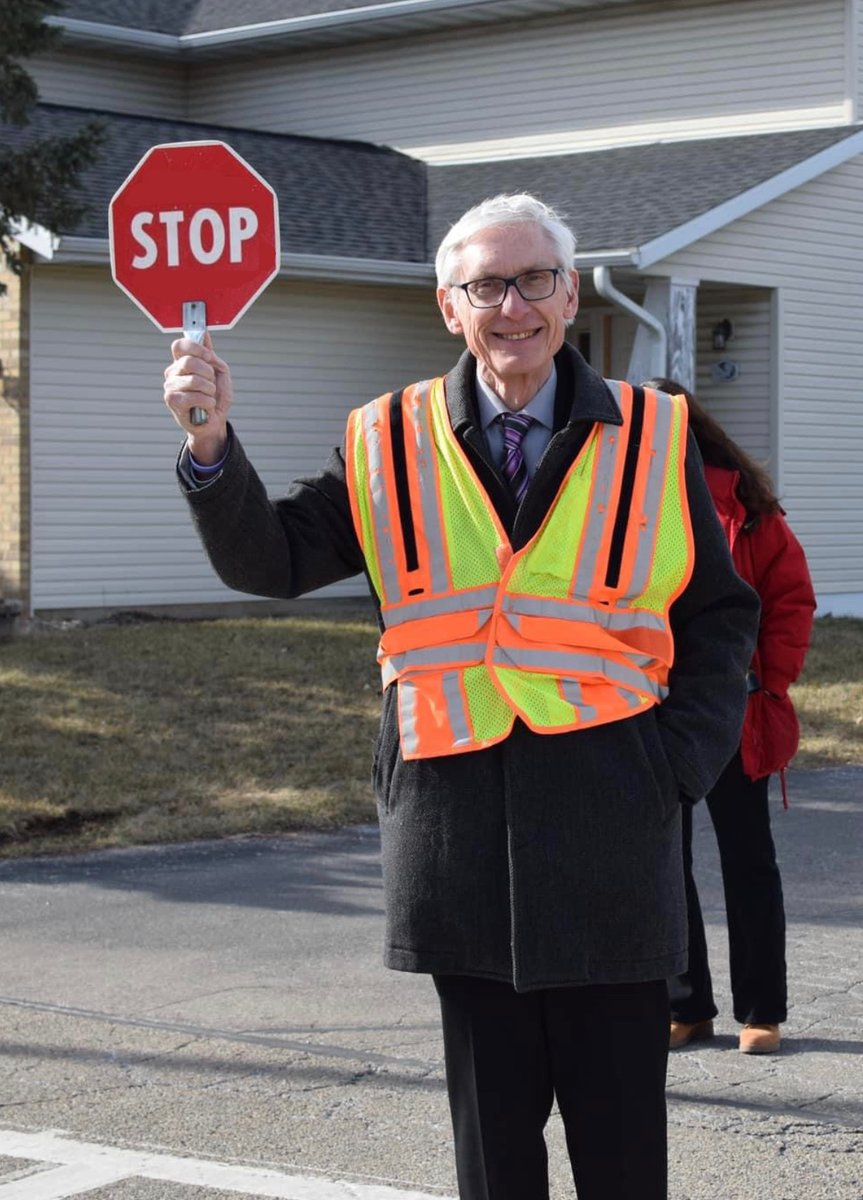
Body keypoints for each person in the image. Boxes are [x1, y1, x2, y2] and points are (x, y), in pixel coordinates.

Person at [164, 194, 759, 1200]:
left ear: (569, 295)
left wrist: (676, 766)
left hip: (611, 834)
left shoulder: (654, 436)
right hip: (457, 837)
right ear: (450, 306)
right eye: (486, 285)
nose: (511, 305)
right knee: (491, 1165)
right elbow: (270, 560)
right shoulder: (382, 439)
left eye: (533, 279)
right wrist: (210, 444)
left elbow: (720, 617)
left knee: (621, 1160)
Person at [643, 378, 816, 1057]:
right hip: (647, 713)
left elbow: (790, 599)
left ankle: (761, 1011)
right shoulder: (611, 506)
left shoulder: (745, 508)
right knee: (664, 865)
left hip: (732, 711)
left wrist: (767, 682)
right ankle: (687, 1007)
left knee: (749, 863)